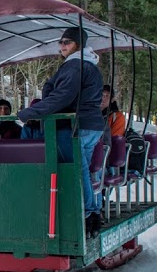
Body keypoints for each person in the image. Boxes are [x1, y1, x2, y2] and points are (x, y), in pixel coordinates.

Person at [17, 26, 105, 235]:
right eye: (61, 42)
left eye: (67, 42)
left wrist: (29, 113)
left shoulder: (75, 65)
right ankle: (92, 214)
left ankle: (86, 214)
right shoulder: (88, 65)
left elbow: (62, 96)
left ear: (78, 45)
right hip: (91, 125)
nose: (62, 46)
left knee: (77, 171)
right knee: (82, 170)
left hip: (75, 125)